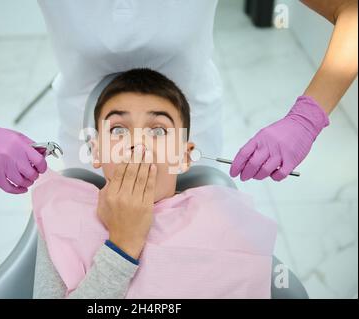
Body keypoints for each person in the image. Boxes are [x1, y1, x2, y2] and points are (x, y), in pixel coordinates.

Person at [0, 0, 357, 194]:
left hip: (196, 127)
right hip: (82, 142)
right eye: (124, 130)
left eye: (155, 132)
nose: (138, 146)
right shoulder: (69, 204)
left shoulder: (210, 209)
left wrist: (306, 118)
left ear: (186, 150)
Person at [32, 68, 278, 298]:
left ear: (184, 156)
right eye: (118, 129)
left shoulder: (223, 224)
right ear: (95, 152)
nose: (138, 142)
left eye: (158, 131)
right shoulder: (60, 215)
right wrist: (122, 246)